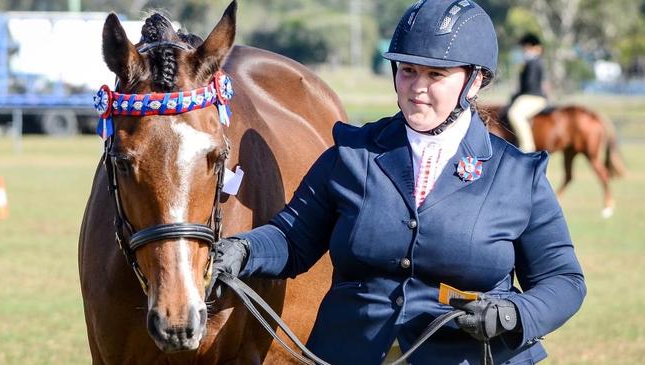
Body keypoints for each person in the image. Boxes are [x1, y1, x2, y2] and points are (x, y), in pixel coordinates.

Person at [212, 1, 586, 364]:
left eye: (435, 75)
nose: (416, 87)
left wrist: (512, 313)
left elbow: (564, 281)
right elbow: (291, 240)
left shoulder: (518, 174)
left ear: (475, 81)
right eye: (408, 70)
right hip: (351, 351)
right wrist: (241, 250)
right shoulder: (350, 155)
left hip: (468, 355)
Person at [507, 33, 549, 152]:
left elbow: (530, 84)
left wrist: (517, 94)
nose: (524, 50)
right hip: (529, 96)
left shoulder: (533, 62)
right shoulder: (532, 62)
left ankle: (527, 148)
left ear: (533, 47)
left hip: (533, 97)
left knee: (515, 114)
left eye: (526, 47)